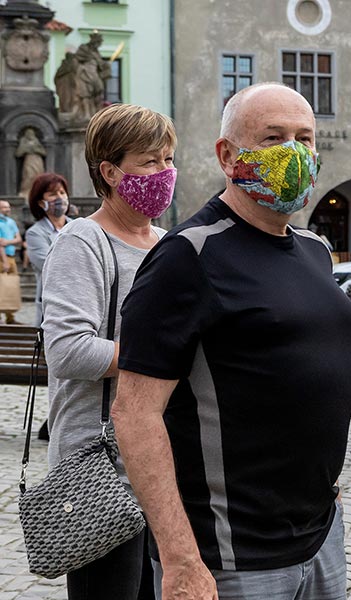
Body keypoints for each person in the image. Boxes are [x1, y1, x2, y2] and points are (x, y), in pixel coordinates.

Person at [112, 82, 351, 600]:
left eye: (304, 139)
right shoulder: (187, 257)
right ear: (228, 155)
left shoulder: (313, 249)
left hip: (320, 534)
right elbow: (135, 413)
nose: (294, 152)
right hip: (230, 554)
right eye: (273, 138)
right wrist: (180, 557)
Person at [40, 103, 177, 599]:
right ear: (110, 171)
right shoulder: (83, 241)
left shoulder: (166, 243)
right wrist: (159, 360)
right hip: (99, 468)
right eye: (149, 162)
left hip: (159, 459)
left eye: (167, 160)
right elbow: (68, 351)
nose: (164, 173)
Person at [25, 172, 72, 326]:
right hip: (53, 304)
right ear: (41, 203)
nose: (59, 198)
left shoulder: (80, 226)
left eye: (62, 192)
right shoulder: (35, 233)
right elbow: (50, 265)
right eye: (52, 194)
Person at [0, 200, 23, 324]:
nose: (7, 209)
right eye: (4, 207)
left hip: (11, 256)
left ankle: (10, 317)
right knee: (1, 286)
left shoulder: (11, 222)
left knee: (11, 286)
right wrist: (4, 261)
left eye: (8, 207)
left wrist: (8, 242)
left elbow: (18, 238)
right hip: (2, 258)